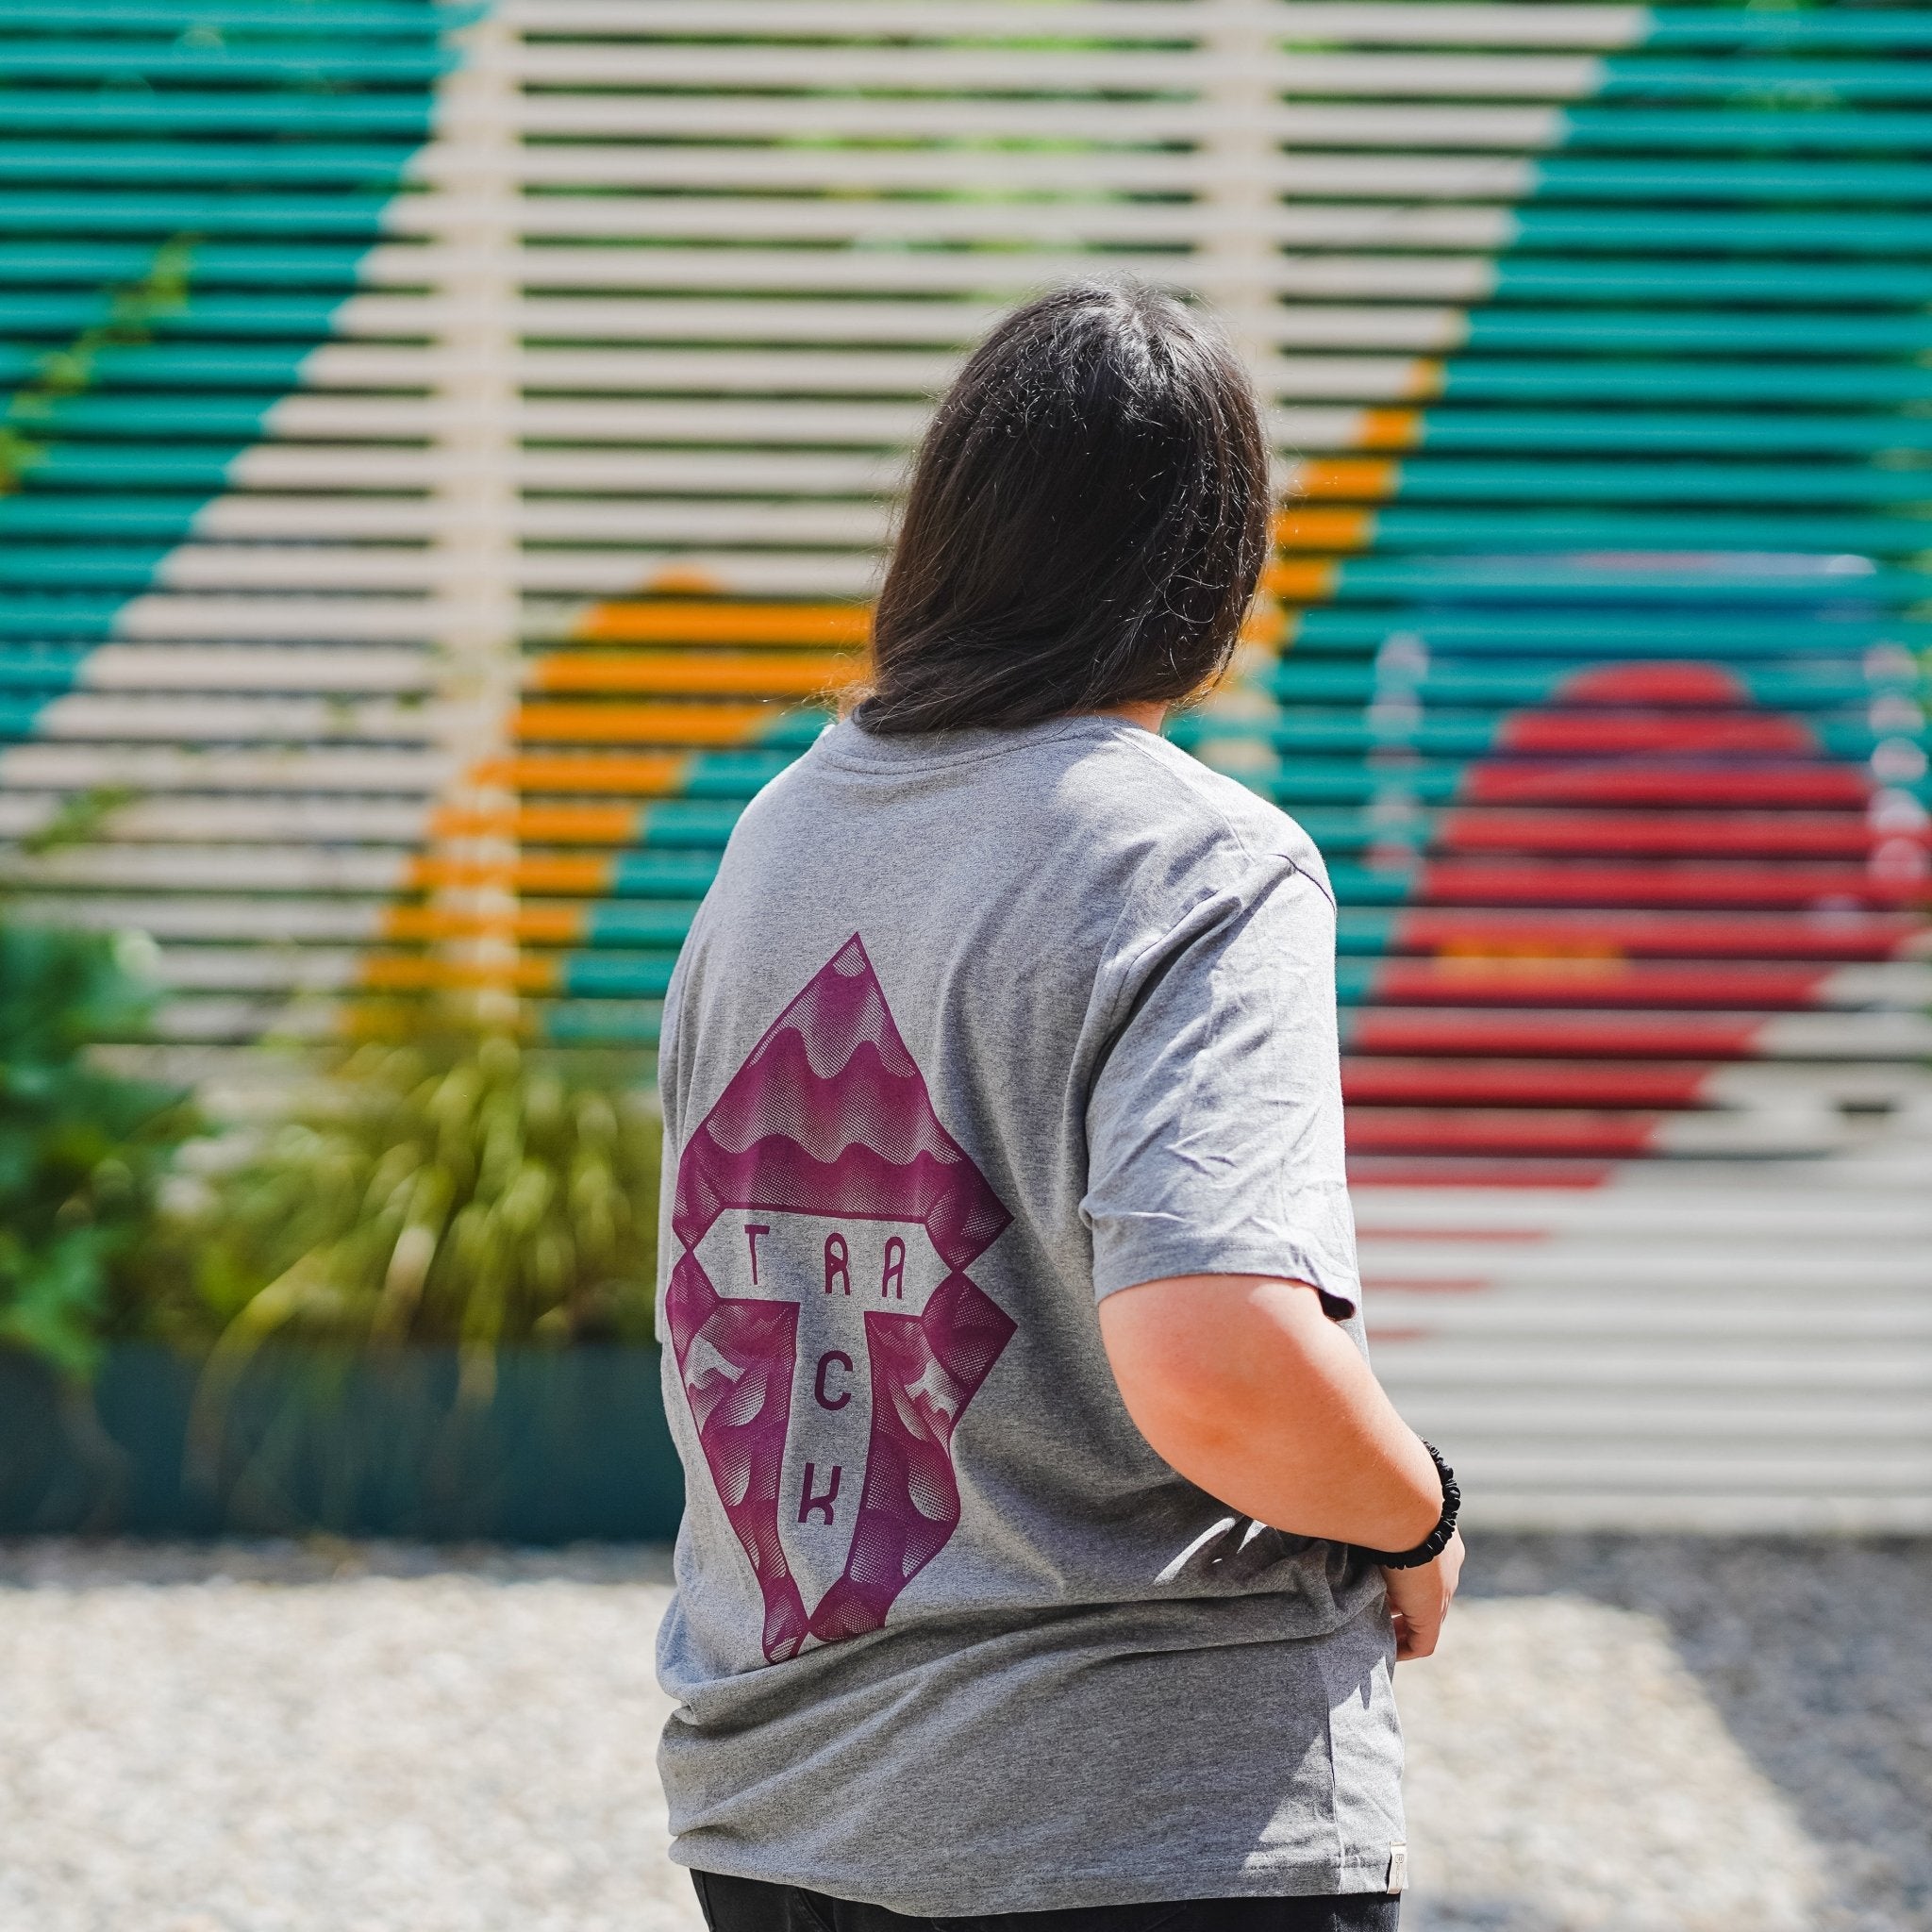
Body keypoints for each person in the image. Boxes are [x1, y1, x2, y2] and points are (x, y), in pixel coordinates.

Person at [653, 280, 1463, 1932]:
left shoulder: (778, 838)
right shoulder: (1201, 861)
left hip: (772, 1805)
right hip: (1139, 1822)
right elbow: (1219, 1356)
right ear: (1215, 573)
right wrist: (1419, 1512)